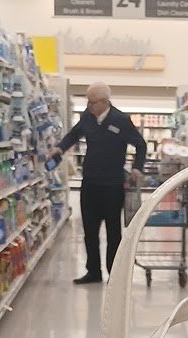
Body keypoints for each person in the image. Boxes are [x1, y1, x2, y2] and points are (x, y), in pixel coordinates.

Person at [49, 82, 147, 284]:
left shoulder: (120, 120)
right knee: (89, 231)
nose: (88, 105)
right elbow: (73, 135)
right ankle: (93, 271)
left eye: (91, 102)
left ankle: (114, 273)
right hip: (90, 184)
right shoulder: (87, 117)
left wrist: (137, 168)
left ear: (104, 102)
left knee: (114, 232)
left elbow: (140, 145)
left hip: (112, 185)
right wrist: (59, 149)